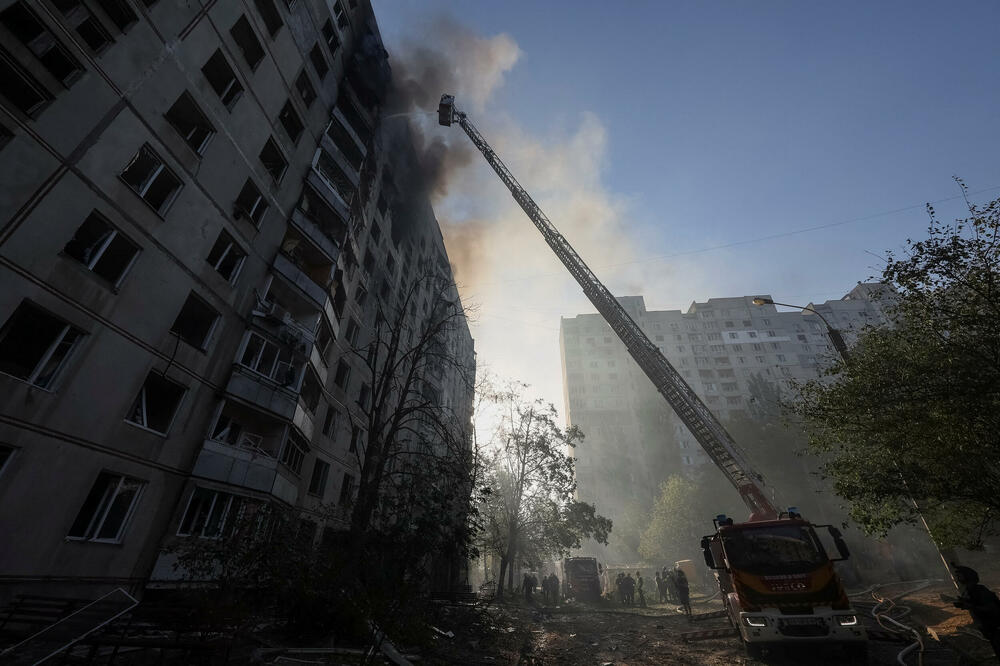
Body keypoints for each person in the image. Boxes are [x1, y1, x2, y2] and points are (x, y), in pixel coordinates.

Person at [952, 564, 1000, 660]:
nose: (957, 579)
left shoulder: (979, 590)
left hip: (996, 626)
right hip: (987, 627)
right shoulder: (968, 591)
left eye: (959, 576)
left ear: (968, 576)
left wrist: (969, 606)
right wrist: (963, 602)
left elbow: (991, 608)